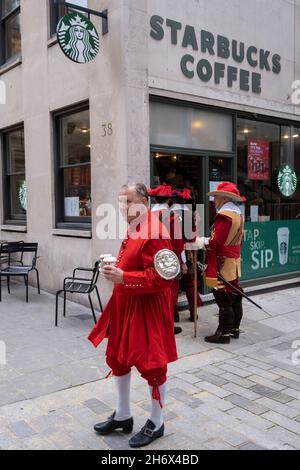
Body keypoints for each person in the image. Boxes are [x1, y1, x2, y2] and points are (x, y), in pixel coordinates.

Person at [88, 183, 179, 448]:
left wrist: (124, 277)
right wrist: (118, 270)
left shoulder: (156, 232)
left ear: (143, 201)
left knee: (152, 365)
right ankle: (123, 414)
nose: (122, 207)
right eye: (121, 203)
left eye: (127, 202)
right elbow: (136, 263)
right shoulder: (137, 226)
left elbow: (162, 278)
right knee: (117, 358)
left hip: (146, 308)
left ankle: (157, 421)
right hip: (125, 305)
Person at [197, 182, 245, 344]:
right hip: (233, 260)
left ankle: (223, 333)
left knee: (223, 298)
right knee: (234, 293)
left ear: (225, 198)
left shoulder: (225, 216)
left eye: (216, 197)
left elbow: (215, 242)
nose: (214, 200)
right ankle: (234, 329)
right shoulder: (238, 214)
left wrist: (200, 242)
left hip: (222, 262)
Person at [148, 184, 186, 335]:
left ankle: (155, 323)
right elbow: (177, 244)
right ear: (169, 200)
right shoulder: (172, 218)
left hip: (151, 259)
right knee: (170, 294)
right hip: (169, 259)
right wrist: (182, 262)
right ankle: (167, 325)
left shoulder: (146, 216)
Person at [169, 188, 202, 322]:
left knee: (173, 286)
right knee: (190, 284)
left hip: (172, 252)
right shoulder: (188, 214)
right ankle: (193, 313)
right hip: (187, 253)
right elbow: (192, 238)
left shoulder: (168, 213)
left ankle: (174, 315)